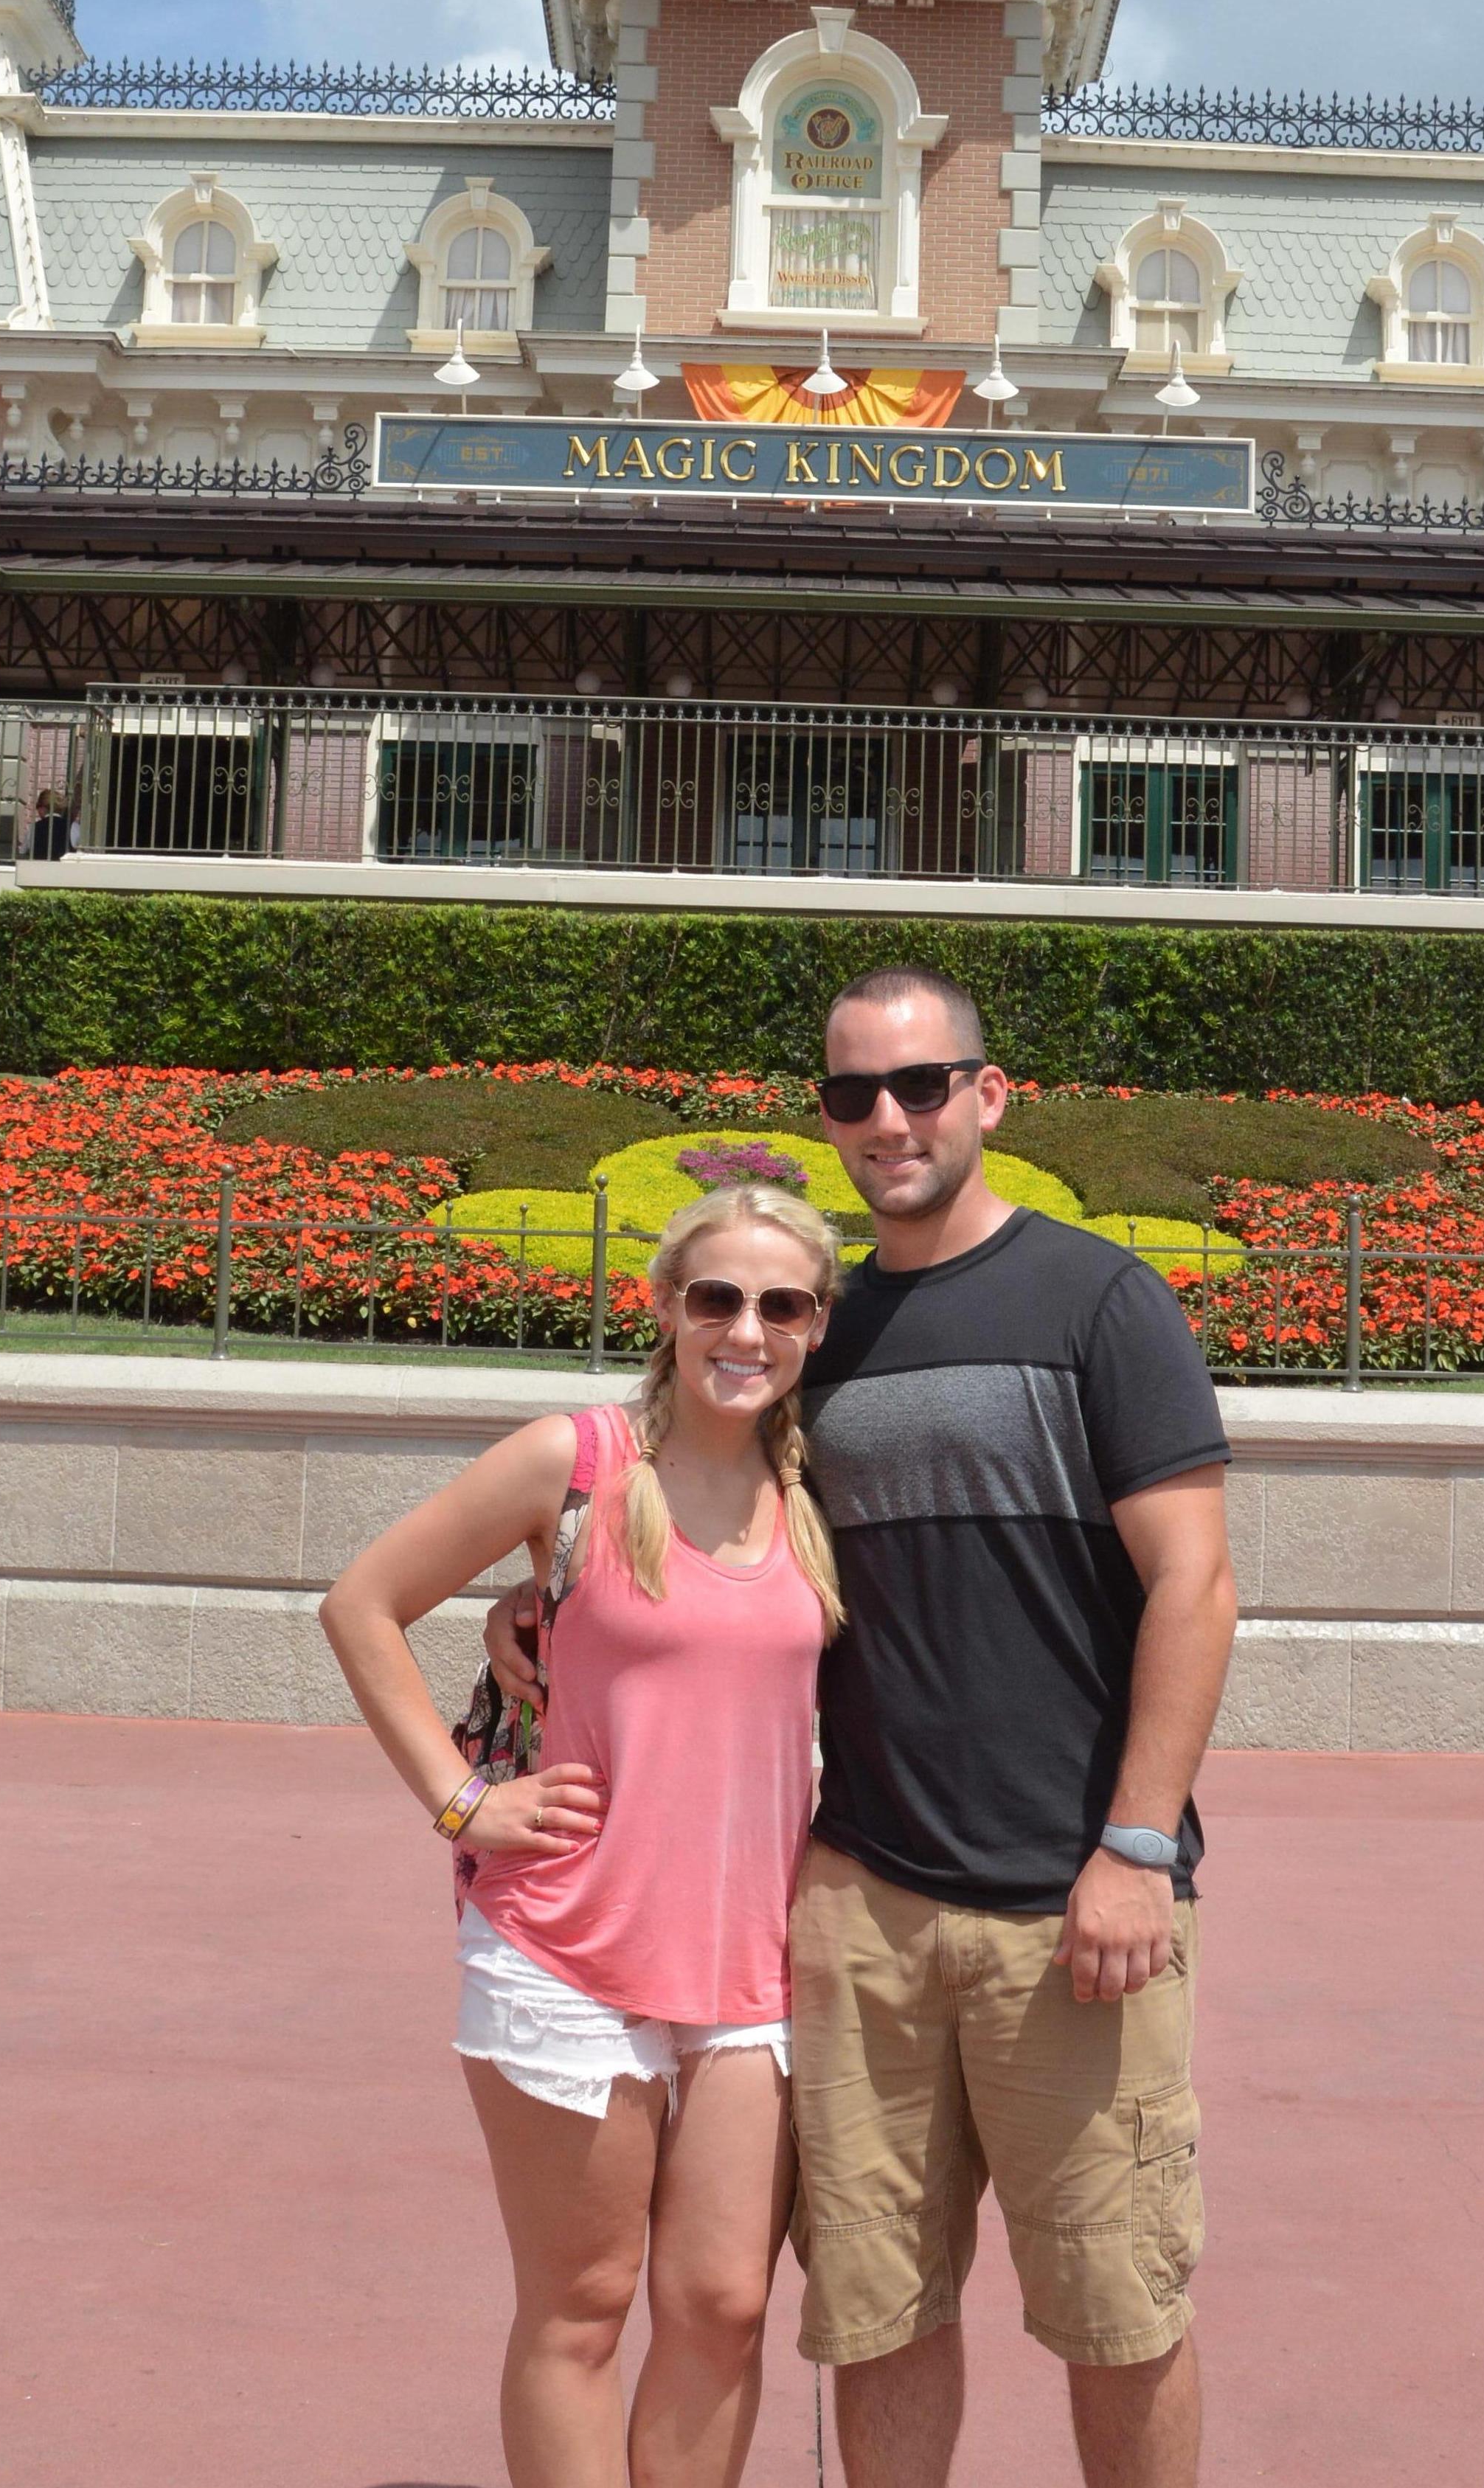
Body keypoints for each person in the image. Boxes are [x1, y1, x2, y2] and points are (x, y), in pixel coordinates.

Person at [493, 969, 1238, 2488]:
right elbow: (703, 1534)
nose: (887, 1121)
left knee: (1117, 2306)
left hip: (1069, 1905)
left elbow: (1198, 1585)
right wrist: (534, 1620)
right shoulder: (817, 1336)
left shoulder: (1100, 1299)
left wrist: (1135, 1847)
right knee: (878, 2312)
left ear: (989, 1094)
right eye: (852, 1096)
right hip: (860, 1907)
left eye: (919, 1086)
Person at [322, 1182, 847, 2488]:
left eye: (781, 1303)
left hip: (753, 1963)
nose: (746, 1328)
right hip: (563, 1947)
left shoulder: (821, 1485)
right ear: (665, 1308)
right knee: (583, 2306)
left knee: (723, 2306)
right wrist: (461, 1798)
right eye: (715, 1297)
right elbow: (361, 1604)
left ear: (816, 1325)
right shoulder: (576, 1459)